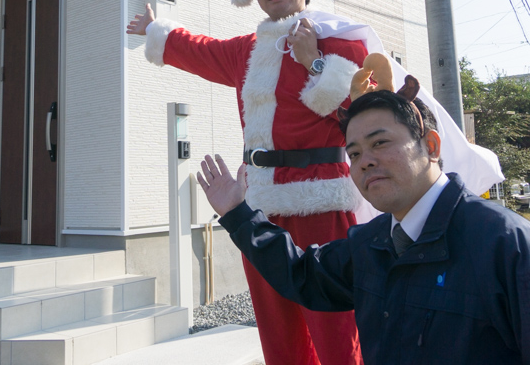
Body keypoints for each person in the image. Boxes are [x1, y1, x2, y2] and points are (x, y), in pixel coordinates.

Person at [128, 0, 368, 365]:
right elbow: (201, 49)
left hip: (323, 205)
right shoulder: (247, 51)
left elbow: (362, 113)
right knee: (279, 339)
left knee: (336, 337)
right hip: (259, 209)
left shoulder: (341, 42)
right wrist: (156, 30)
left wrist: (314, 60)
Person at [197, 89, 530, 365]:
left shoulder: (503, 242)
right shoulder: (372, 243)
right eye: (354, 154)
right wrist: (238, 214)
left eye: (379, 143)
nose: (365, 161)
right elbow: (301, 274)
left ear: (430, 146)